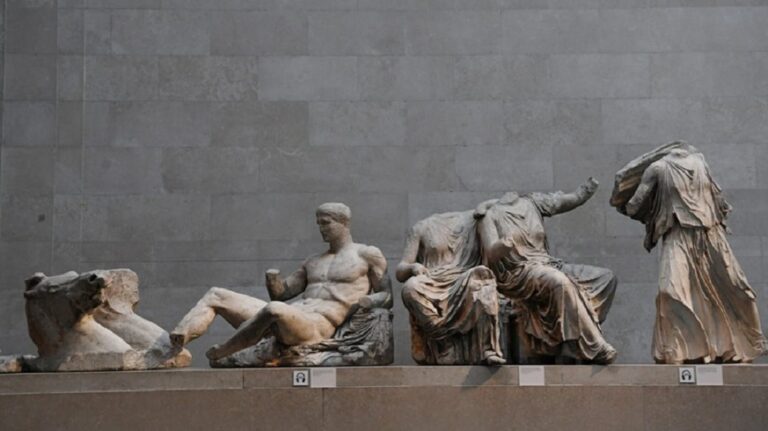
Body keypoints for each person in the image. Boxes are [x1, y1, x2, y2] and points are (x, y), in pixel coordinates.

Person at [171, 203, 390, 362]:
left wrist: (367, 301)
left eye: (326, 223)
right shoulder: (313, 261)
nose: (321, 228)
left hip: (317, 326)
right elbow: (282, 294)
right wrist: (272, 279)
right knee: (216, 294)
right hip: (290, 316)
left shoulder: (366, 254)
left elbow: (387, 295)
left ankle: (227, 349)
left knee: (274, 309)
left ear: (344, 223)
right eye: (318, 224)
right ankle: (175, 342)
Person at [618, 142, 767, 364]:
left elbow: (716, 197)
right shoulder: (658, 168)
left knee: (735, 286)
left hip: (710, 235)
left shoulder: (700, 163)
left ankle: (739, 345)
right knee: (670, 291)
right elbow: (634, 205)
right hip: (678, 234)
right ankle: (677, 351)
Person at [475, 178, 618, 364]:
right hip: (519, 273)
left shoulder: (533, 203)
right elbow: (491, 253)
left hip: (548, 264)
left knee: (606, 278)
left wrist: (586, 190)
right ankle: (594, 345)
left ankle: (574, 337)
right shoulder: (489, 215)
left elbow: (571, 199)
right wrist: (503, 246)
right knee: (560, 282)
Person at [397, 210, 505, 365]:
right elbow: (401, 271)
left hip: (466, 279)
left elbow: (501, 207)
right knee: (410, 288)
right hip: (432, 281)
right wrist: (413, 267)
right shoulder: (421, 227)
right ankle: (441, 334)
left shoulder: (478, 221)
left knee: (482, 281)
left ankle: (487, 349)